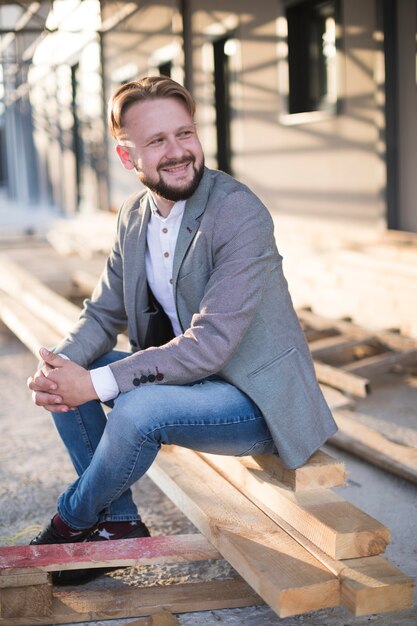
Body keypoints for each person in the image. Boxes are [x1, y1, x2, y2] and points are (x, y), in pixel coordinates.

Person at [27, 76, 337, 583]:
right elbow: (104, 314)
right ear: (129, 159)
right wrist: (57, 367)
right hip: (190, 384)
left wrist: (100, 383)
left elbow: (210, 343)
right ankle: (120, 525)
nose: (178, 152)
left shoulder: (237, 210)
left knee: (138, 406)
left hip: (252, 398)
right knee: (72, 374)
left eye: (185, 133)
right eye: (157, 141)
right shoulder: (132, 216)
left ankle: (72, 520)